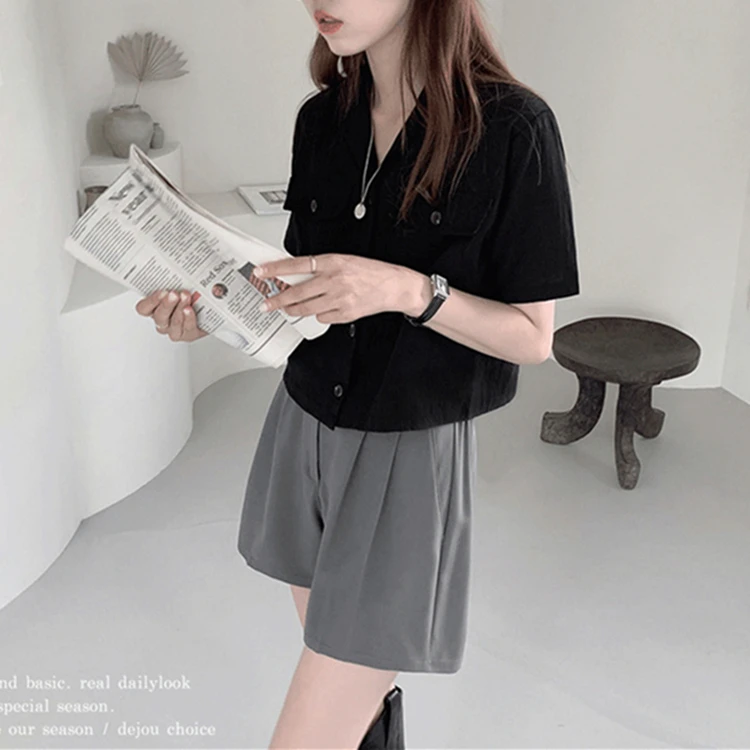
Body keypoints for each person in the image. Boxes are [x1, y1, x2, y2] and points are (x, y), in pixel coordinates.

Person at [135, 0, 581, 747]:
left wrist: (408, 290)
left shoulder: (512, 127)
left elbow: (533, 338)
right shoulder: (323, 120)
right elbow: (305, 295)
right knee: (353, 697)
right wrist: (209, 312)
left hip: (407, 448)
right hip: (302, 423)